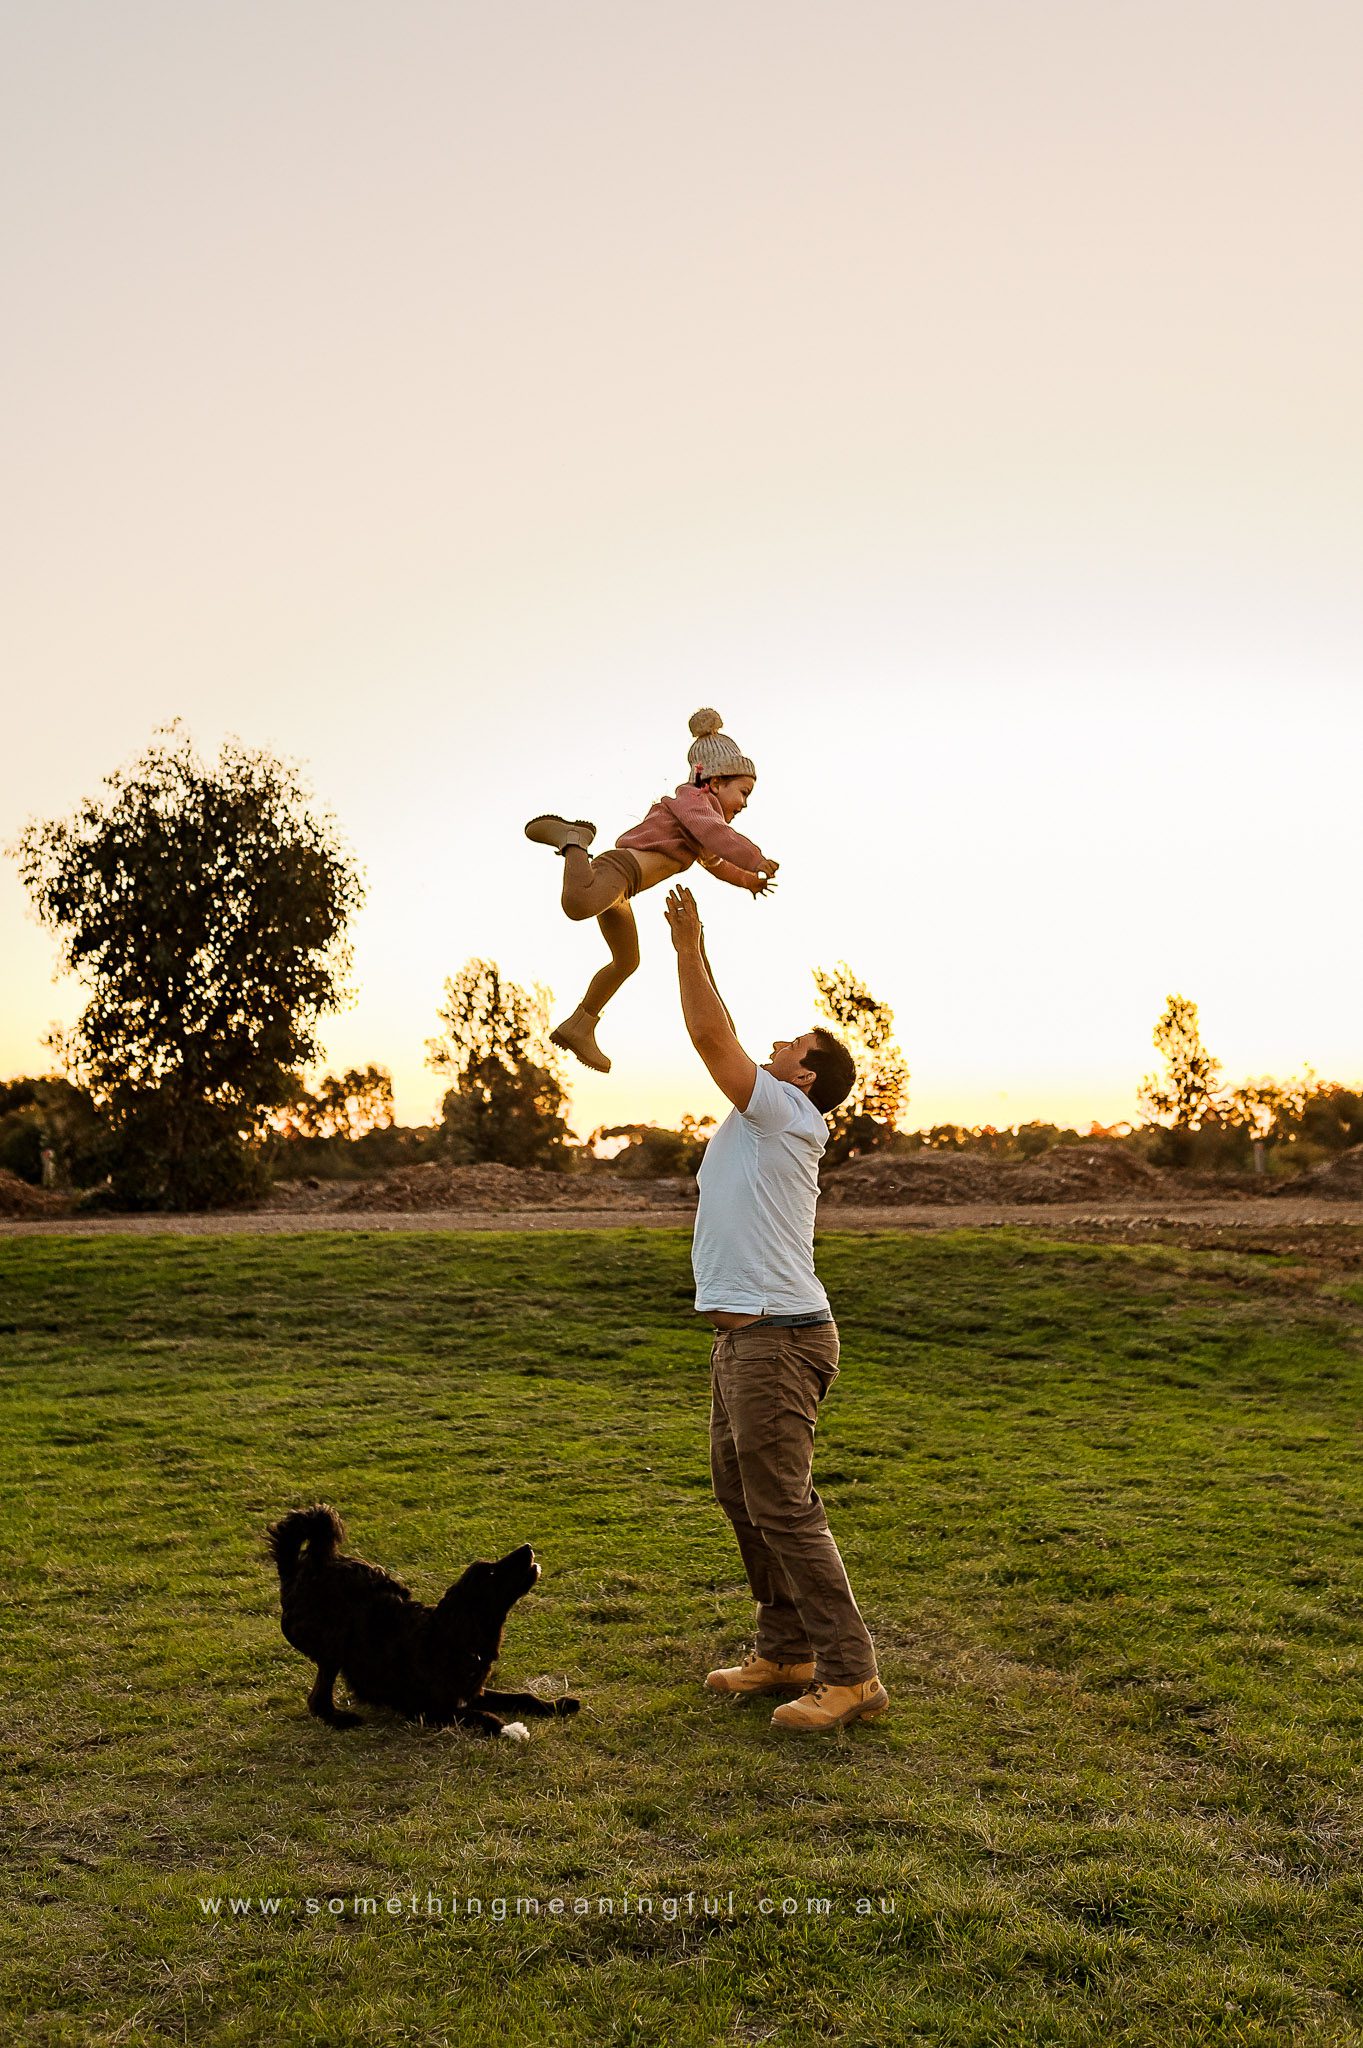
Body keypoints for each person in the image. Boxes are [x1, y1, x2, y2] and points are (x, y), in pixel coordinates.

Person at [663, 883, 889, 1734]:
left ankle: (849, 1674)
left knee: (783, 1506)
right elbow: (718, 1022)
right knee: (742, 1495)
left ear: (803, 1076)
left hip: (781, 1340)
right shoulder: (765, 1114)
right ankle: (786, 1648)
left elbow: (706, 1034)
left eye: (790, 1041)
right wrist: (699, 939)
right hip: (743, 1343)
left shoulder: (785, 1112)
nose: (773, 1042)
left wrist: (685, 950)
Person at [524, 709, 779, 1074]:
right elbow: (717, 837)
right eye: (744, 792)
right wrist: (755, 856)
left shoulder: (701, 822)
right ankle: (573, 841)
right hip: (618, 870)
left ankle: (580, 1026)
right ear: (716, 781)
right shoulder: (693, 801)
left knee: (627, 960)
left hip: (624, 892)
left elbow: (716, 861)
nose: (745, 803)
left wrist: (748, 880)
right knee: (579, 904)